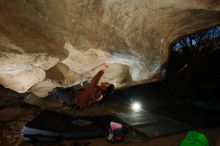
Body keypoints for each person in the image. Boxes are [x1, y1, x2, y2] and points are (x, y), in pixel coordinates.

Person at [48, 70, 115, 108]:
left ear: (105, 88)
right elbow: (89, 84)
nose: (106, 82)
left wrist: (101, 72)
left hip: (73, 99)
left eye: (107, 84)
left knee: (55, 90)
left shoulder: (98, 94)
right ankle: (61, 95)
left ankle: (54, 97)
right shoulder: (99, 90)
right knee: (76, 83)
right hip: (76, 94)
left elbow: (93, 83)